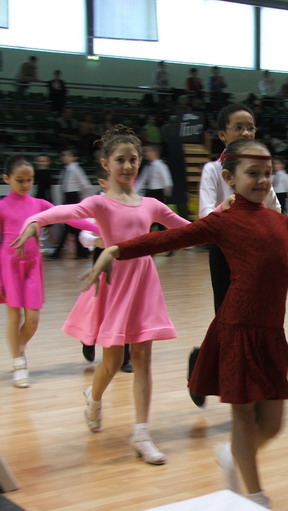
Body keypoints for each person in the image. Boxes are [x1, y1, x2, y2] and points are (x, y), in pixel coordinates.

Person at [80, 138, 288, 508]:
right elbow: (169, 238)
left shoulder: (279, 221)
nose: (263, 180)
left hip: (272, 334)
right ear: (230, 178)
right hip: (237, 330)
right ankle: (256, 497)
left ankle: (233, 456)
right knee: (244, 418)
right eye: (253, 173)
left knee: (272, 424)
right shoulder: (223, 221)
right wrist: (115, 249)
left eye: (267, 173)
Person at [12, 126, 191, 465]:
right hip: (115, 284)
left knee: (143, 358)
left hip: (145, 285)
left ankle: (142, 433)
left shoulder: (151, 205)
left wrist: (224, 218)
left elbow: (190, 230)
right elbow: (63, 212)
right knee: (111, 361)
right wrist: (35, 221)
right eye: (120, 160)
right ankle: (94, 398)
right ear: (106, 164)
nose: (128, 165)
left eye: (133, 159)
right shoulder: (100, 203)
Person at [192, 103, 281, 408]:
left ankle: (244, 384)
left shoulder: (260, 170)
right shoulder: (212, 170)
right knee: (228, 319)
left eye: (250, 127)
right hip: (224, 252)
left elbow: (276, 210)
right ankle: (214, 373)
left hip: (257, 254)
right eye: (238, 127)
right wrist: (226, 208)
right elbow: (205, 214)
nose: (246, 132)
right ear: (222, 134)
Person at [1, 156, 97, 388]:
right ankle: (19, 363)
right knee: (14, 315)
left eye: (29, 180)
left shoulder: (39, 204)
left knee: (33, 320)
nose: (26, 184)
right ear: (7, 179)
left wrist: (98, 227)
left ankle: (18, 349)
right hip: (9, 265)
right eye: (20, 180)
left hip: (33, 265)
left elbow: (70, 217)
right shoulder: (2, 206)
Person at [78, 167, 132, 373]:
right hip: (101, 266)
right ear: (102, 182)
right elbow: (83, 234)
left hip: (126, 265)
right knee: (98, 308)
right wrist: (96, 241)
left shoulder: (131, 202)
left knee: (124, 309)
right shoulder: (95, 204)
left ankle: (124, 357)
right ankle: (88, 339)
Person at [52, 149, 92, 259]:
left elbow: (86, 185)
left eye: (67, 155)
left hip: (73, 198)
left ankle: (60, 252)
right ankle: (82, 252)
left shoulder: (76, 169)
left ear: (74, 157)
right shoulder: (67, 169)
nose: (64, 157)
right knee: (71, 226)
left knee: (71, 226)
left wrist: (79, 199)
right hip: (68, 199)